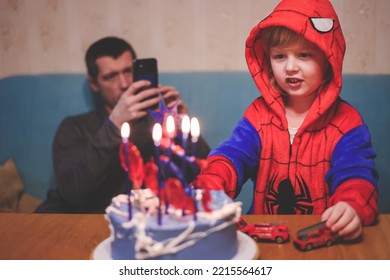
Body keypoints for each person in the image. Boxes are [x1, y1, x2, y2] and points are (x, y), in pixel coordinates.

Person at [194, 0, 378, 241]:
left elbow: (356, 173)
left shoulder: (346, 122)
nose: (291, 67)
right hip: (263, 238)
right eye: (280, 56)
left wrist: (352, 205)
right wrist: (207, 186)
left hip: (323, 238)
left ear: (328, 59)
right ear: (268, 60)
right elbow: (232, 156)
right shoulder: (258, 115)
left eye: (304, 55)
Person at [36, 37, 210, 213]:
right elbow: (73, 192)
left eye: (128, 71)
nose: (124, 84)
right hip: (88, 217)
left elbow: (208, 176)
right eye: (110, 77)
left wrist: (181, 127)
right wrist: (114, 125)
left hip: (150, 219)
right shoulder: (75, 127)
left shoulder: (160, 124)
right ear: (94, 83)